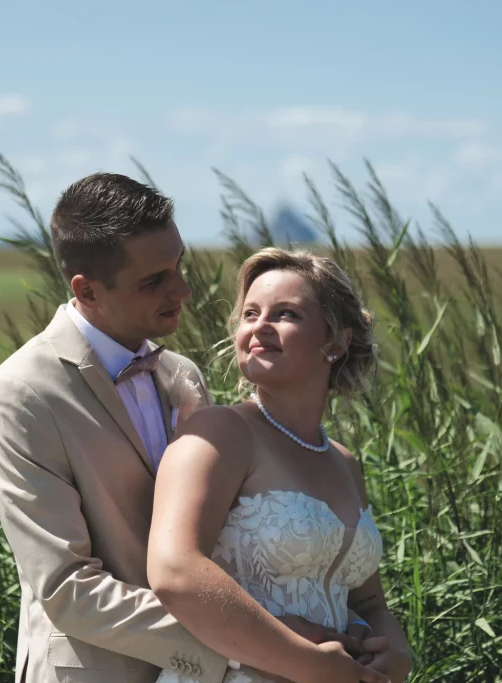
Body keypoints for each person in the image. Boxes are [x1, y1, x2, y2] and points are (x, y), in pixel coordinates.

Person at [0, 173, 378, 683]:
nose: (183, 290)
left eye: (179, 265)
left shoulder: (180, 373)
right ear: (87, 289)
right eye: (154, 280)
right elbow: (67, 589)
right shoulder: (22, 394)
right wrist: (267, 644)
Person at [147, 248, 413, 683]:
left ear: (337, 342)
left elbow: (366, 604)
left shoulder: (344, 462)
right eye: (250, 313)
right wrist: (306, 663)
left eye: (286, 314)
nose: (259, 327)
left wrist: (397, 650)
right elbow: (176, 572)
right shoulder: (221, 432)